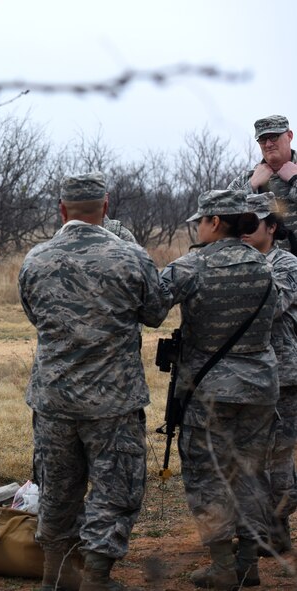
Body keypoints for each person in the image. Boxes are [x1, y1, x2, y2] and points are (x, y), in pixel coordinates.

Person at [18, 173, 170, 591]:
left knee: (57, 486)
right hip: (113, 401)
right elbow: (155, 313)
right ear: (106, 207)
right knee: (114, 485)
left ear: (62, 210)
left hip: (54, 399)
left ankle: (56, 574)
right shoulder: (132, 257)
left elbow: (34, 316)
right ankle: (97, 576)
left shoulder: (36, 259)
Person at [161, 189, 278, 589]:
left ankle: (222, 565)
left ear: (214, 222)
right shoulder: (264, 265)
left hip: (210, 390)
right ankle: (250, 563)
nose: (197, 227)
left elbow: (152, 306)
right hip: (261, 386)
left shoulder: (192, 266)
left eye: (200, 221)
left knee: (207, 475)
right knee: (250, 472)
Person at [242, 193, 297, 556]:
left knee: (279, 457)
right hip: (249, 376)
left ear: (272, 227)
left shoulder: (286, 262)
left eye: (253, 224)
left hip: (284, 375)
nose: (245, 231)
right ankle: (268, 529)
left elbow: (273, 306)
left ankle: (276, 525)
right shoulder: (241, 260)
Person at [229, 115, 297, 230]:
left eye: (274, 137)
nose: (268, 144)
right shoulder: (246, 180)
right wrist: (251, 187)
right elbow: (224, 218)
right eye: (262, 139)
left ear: (289, 136)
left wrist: (294, 179)